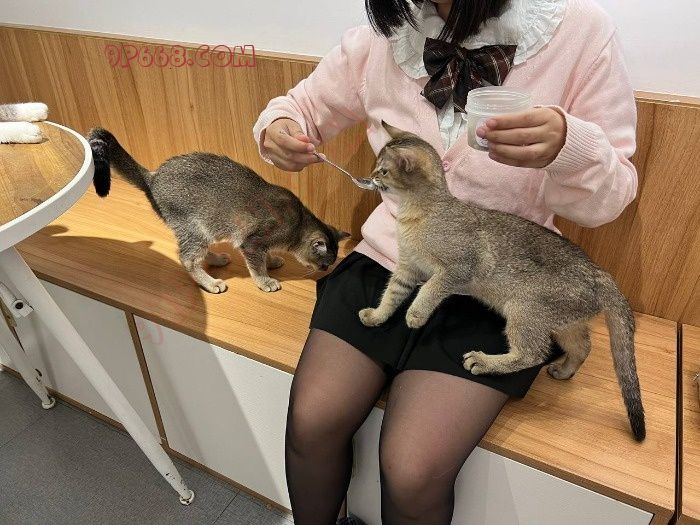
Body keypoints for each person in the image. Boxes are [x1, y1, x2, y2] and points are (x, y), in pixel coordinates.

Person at [253, 1, 637, 523]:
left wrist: (570, 146)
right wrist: (280, 128)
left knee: (412, 470)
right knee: (311, 422)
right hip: (390, 261)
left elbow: (613, 197)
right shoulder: (383, 36)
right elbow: (300, 108)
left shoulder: (581, 34)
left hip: (499, 279)